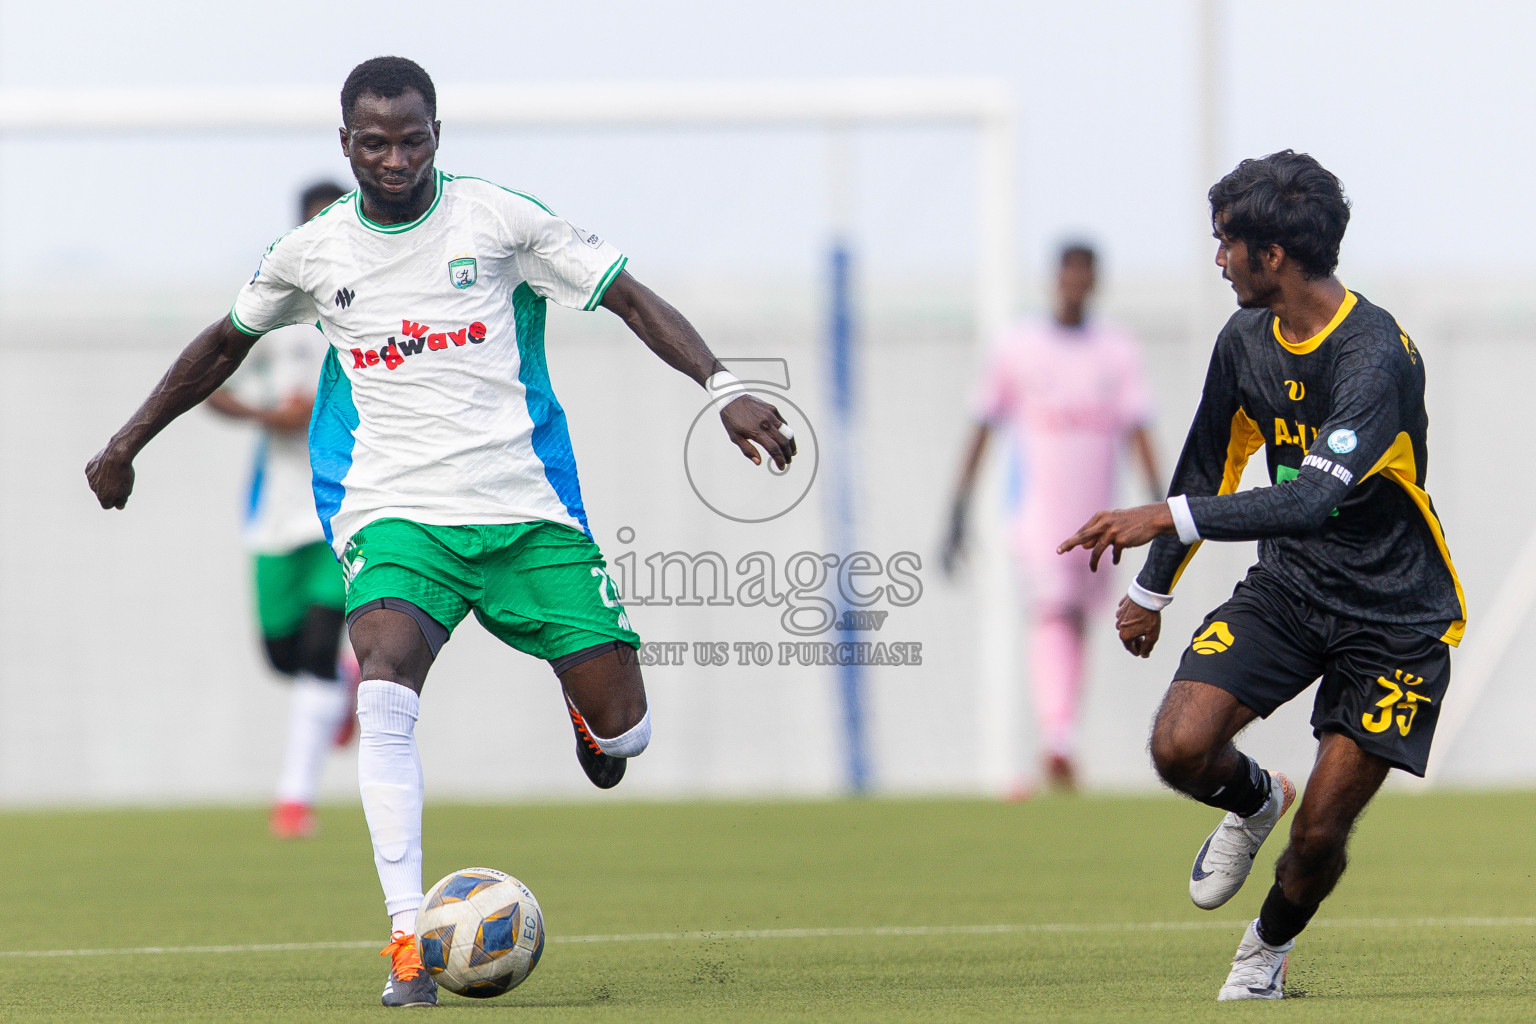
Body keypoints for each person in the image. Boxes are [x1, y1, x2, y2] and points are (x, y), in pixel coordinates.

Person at [86, 56, 795, 1008]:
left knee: (626, 740)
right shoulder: (313, 252)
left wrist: (724, 390)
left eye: (411, 139)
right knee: (380, 675)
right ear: (345, 145)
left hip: (525, 510)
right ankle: (405, 945)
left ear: (435, 135)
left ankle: (593, 719)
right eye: (372, 142)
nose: (393, 158)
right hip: (395, 510)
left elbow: (627, 294)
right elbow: (225, 341)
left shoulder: (499, 220)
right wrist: (129, 440)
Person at [1058, 150, 1464, 1000]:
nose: (1217, 260)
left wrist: (1159, 519)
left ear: (1271, 255)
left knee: (1319, 835)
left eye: (1225, 243)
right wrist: (1150, 589)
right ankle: (1252, 799)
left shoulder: (1375, 357)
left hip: (1394, 618)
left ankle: (1262, 958)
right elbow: (1210, 460)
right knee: (1179, 747)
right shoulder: (1245, 339)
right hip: (1290, 591)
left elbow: (1313, 498)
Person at [943, 243, 1161, 791]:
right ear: (1055, 279)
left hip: (1099, 517)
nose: (1074, 286)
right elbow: (983, 426)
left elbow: (1139, 430)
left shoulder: (1116, 350)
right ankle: (1057, 737)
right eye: (1067, 276)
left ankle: (1061, 733)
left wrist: (1163, 507)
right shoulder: (1017, 347)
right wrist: (958, 510)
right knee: (1052, 612)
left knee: (1080, 622)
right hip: (1037, 514)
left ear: (1094, 283)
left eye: (1084, 277)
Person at [206, 181, 355, 840]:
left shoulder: (367, 308)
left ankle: (294, 800)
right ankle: (344, 690)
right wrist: (271, 415)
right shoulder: (268, 308)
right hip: (274, 510)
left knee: (320, 648)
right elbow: (212, 383)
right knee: (281, 654)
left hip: (341, 504)